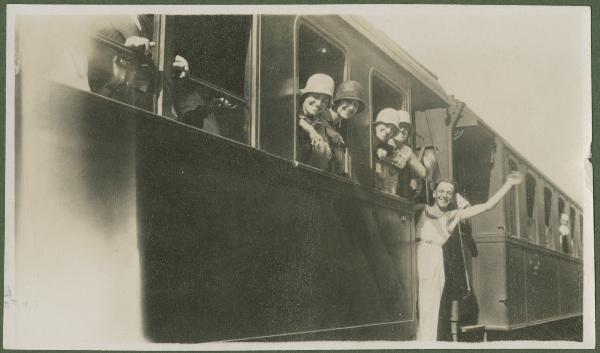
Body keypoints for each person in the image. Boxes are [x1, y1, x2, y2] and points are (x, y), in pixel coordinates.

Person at [415, 171, 523, 341]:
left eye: (449, 193)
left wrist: (508, 184)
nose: (444, 195)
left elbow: (487, 206)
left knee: (428, 307)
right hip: (414, 253)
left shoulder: (453, 215)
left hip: (433, 258)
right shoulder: (420, 209)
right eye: (441, 191)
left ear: (453, 197)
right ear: (434, 193)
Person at [374, 109, 426, 196]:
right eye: (400, 126)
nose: (403, 130)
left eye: (407, 128)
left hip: (392, 195)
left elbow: (423, 173)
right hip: (376, 193)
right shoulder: (378, 142)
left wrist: (416, 180)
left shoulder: (407, 151)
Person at [320, 80, 365, 176]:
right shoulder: (321, 116)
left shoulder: (341, 127)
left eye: (355, 105)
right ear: (337, 101)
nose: (351, 108)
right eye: (348, 101)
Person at [297, 73, 335, 170]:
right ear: (305, 96)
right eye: (316, 96)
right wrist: (310, 129)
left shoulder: (321, 124)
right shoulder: (291, 112)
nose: (319, 103)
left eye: (325, 101)